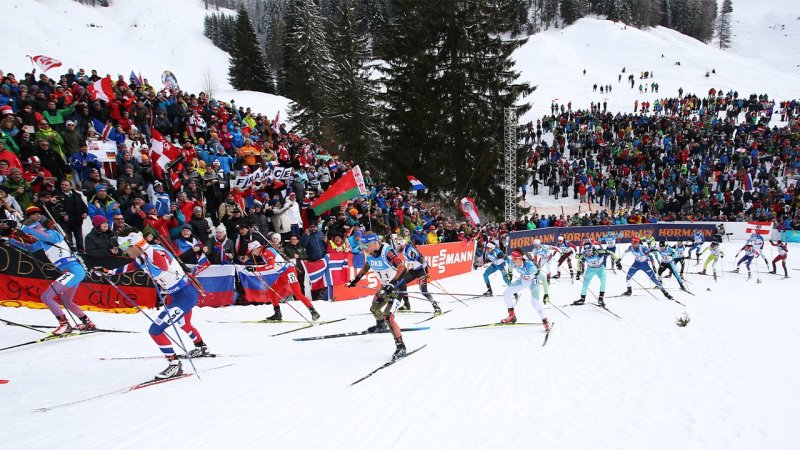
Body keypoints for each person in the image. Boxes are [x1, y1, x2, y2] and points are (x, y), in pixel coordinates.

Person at [105, 229, 211, 380]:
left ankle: (174, 365)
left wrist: (143, 243)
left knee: (155, 330)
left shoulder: (156, 252)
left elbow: (163, 266)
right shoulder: (142, 255)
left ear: (135, 244)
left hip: (185, 296)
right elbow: (134, 266)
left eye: (125, 248)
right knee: (184, 324)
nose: (124, 252)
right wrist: (111, 272)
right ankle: (201, 346)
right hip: (175, 296)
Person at [8, 206, 95, 334]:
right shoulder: (43, 242)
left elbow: (46, 236)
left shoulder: (53, 234)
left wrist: (22, 227)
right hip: (71, 271)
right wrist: (10, 240)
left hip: (74, 271)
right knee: (66, 300)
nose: (31, 236)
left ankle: (65, 325)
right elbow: (30, 248)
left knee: (46, 297)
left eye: (32, 233)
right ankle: (88, 323)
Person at [346, 232, 408, 360]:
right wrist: (356, 279)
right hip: (385, 287)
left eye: (366, 246)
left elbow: (402, 267)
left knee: (388, 316)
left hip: (396, 287)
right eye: (362, 246)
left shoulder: (387, 252)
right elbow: (367, 265)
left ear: (374, 243)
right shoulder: (369, 253)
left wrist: (392, 283)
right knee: (374, 309)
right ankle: (380, 325)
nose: (364, 249)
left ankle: (401, 346)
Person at [245, 240, 320, 322]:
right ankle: (277, 314)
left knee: (298, 294)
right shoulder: (264, 251)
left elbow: (270, 266)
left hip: (289, 271)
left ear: (256, 248)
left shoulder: (267, 252)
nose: (252, 253)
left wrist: (255, 269)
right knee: (271, 291)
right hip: (283, 274)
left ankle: (314, 312)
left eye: (252, 251)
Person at [499, 248, 551, 330]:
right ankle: (512, 316)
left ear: (519, 258)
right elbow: (510, 265)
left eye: (514, 258)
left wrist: (546, 294)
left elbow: (544, 279)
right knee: (506, 294)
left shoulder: (530, 267)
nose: (512, 260)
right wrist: (510, 273)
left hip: (533, 283)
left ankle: (545, 321)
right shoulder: (513, 262)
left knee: (535, 302)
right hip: (523, 280)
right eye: (512, 258)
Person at [395, 238, 441, 314]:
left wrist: (426, 273)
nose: (396, 247)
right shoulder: (402, 249)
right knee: (401, 283)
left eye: (397, 245)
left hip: (421, 271)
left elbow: (424, 262)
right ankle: (407, 305)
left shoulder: (410, 251)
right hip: (413, 270)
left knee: (424, 291)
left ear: (402, 245)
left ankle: (437, 307)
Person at [573, 241, 622, 306]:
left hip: (600, 269)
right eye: (586, 251)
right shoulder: (583, 255)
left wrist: (617, 262)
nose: (587, 252)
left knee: (603, 282)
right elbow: (579, 262)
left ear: (592, 249)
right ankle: (582, 299)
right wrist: (578, 272)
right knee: (585, 284)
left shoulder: (599, 252)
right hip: (590, 270)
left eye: (589, 250)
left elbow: (611, 253)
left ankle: (601, 299)